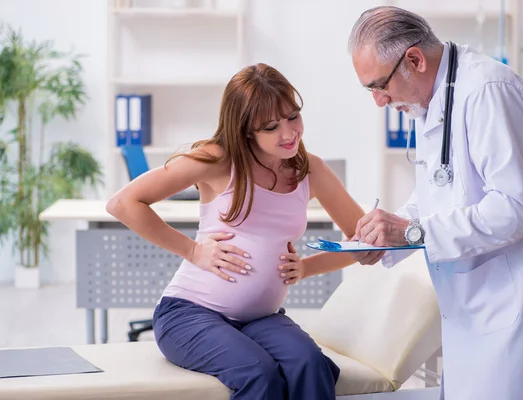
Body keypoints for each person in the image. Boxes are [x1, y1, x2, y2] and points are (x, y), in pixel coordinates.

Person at [347, 6, 523, 400]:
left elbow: (516, 207)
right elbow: (440, 192)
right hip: (475, 308)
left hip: (522, 302)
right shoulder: (432, 101)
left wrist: (412, 231)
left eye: (379, 85)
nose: (379, 101)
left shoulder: (487, 91)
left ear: (414, 60)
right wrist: (391, 233)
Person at [106, 63, 364, 399]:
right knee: (259, 373)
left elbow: (360, 241)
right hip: (189, 314)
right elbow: (123, 203)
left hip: (262, 319)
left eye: (293, 117)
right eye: (271, 127)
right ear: (245, 129)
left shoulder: (309, 168)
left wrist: (306, 267)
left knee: (311, 364)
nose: (289, 134)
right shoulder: (217, 160)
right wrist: (193, 250)